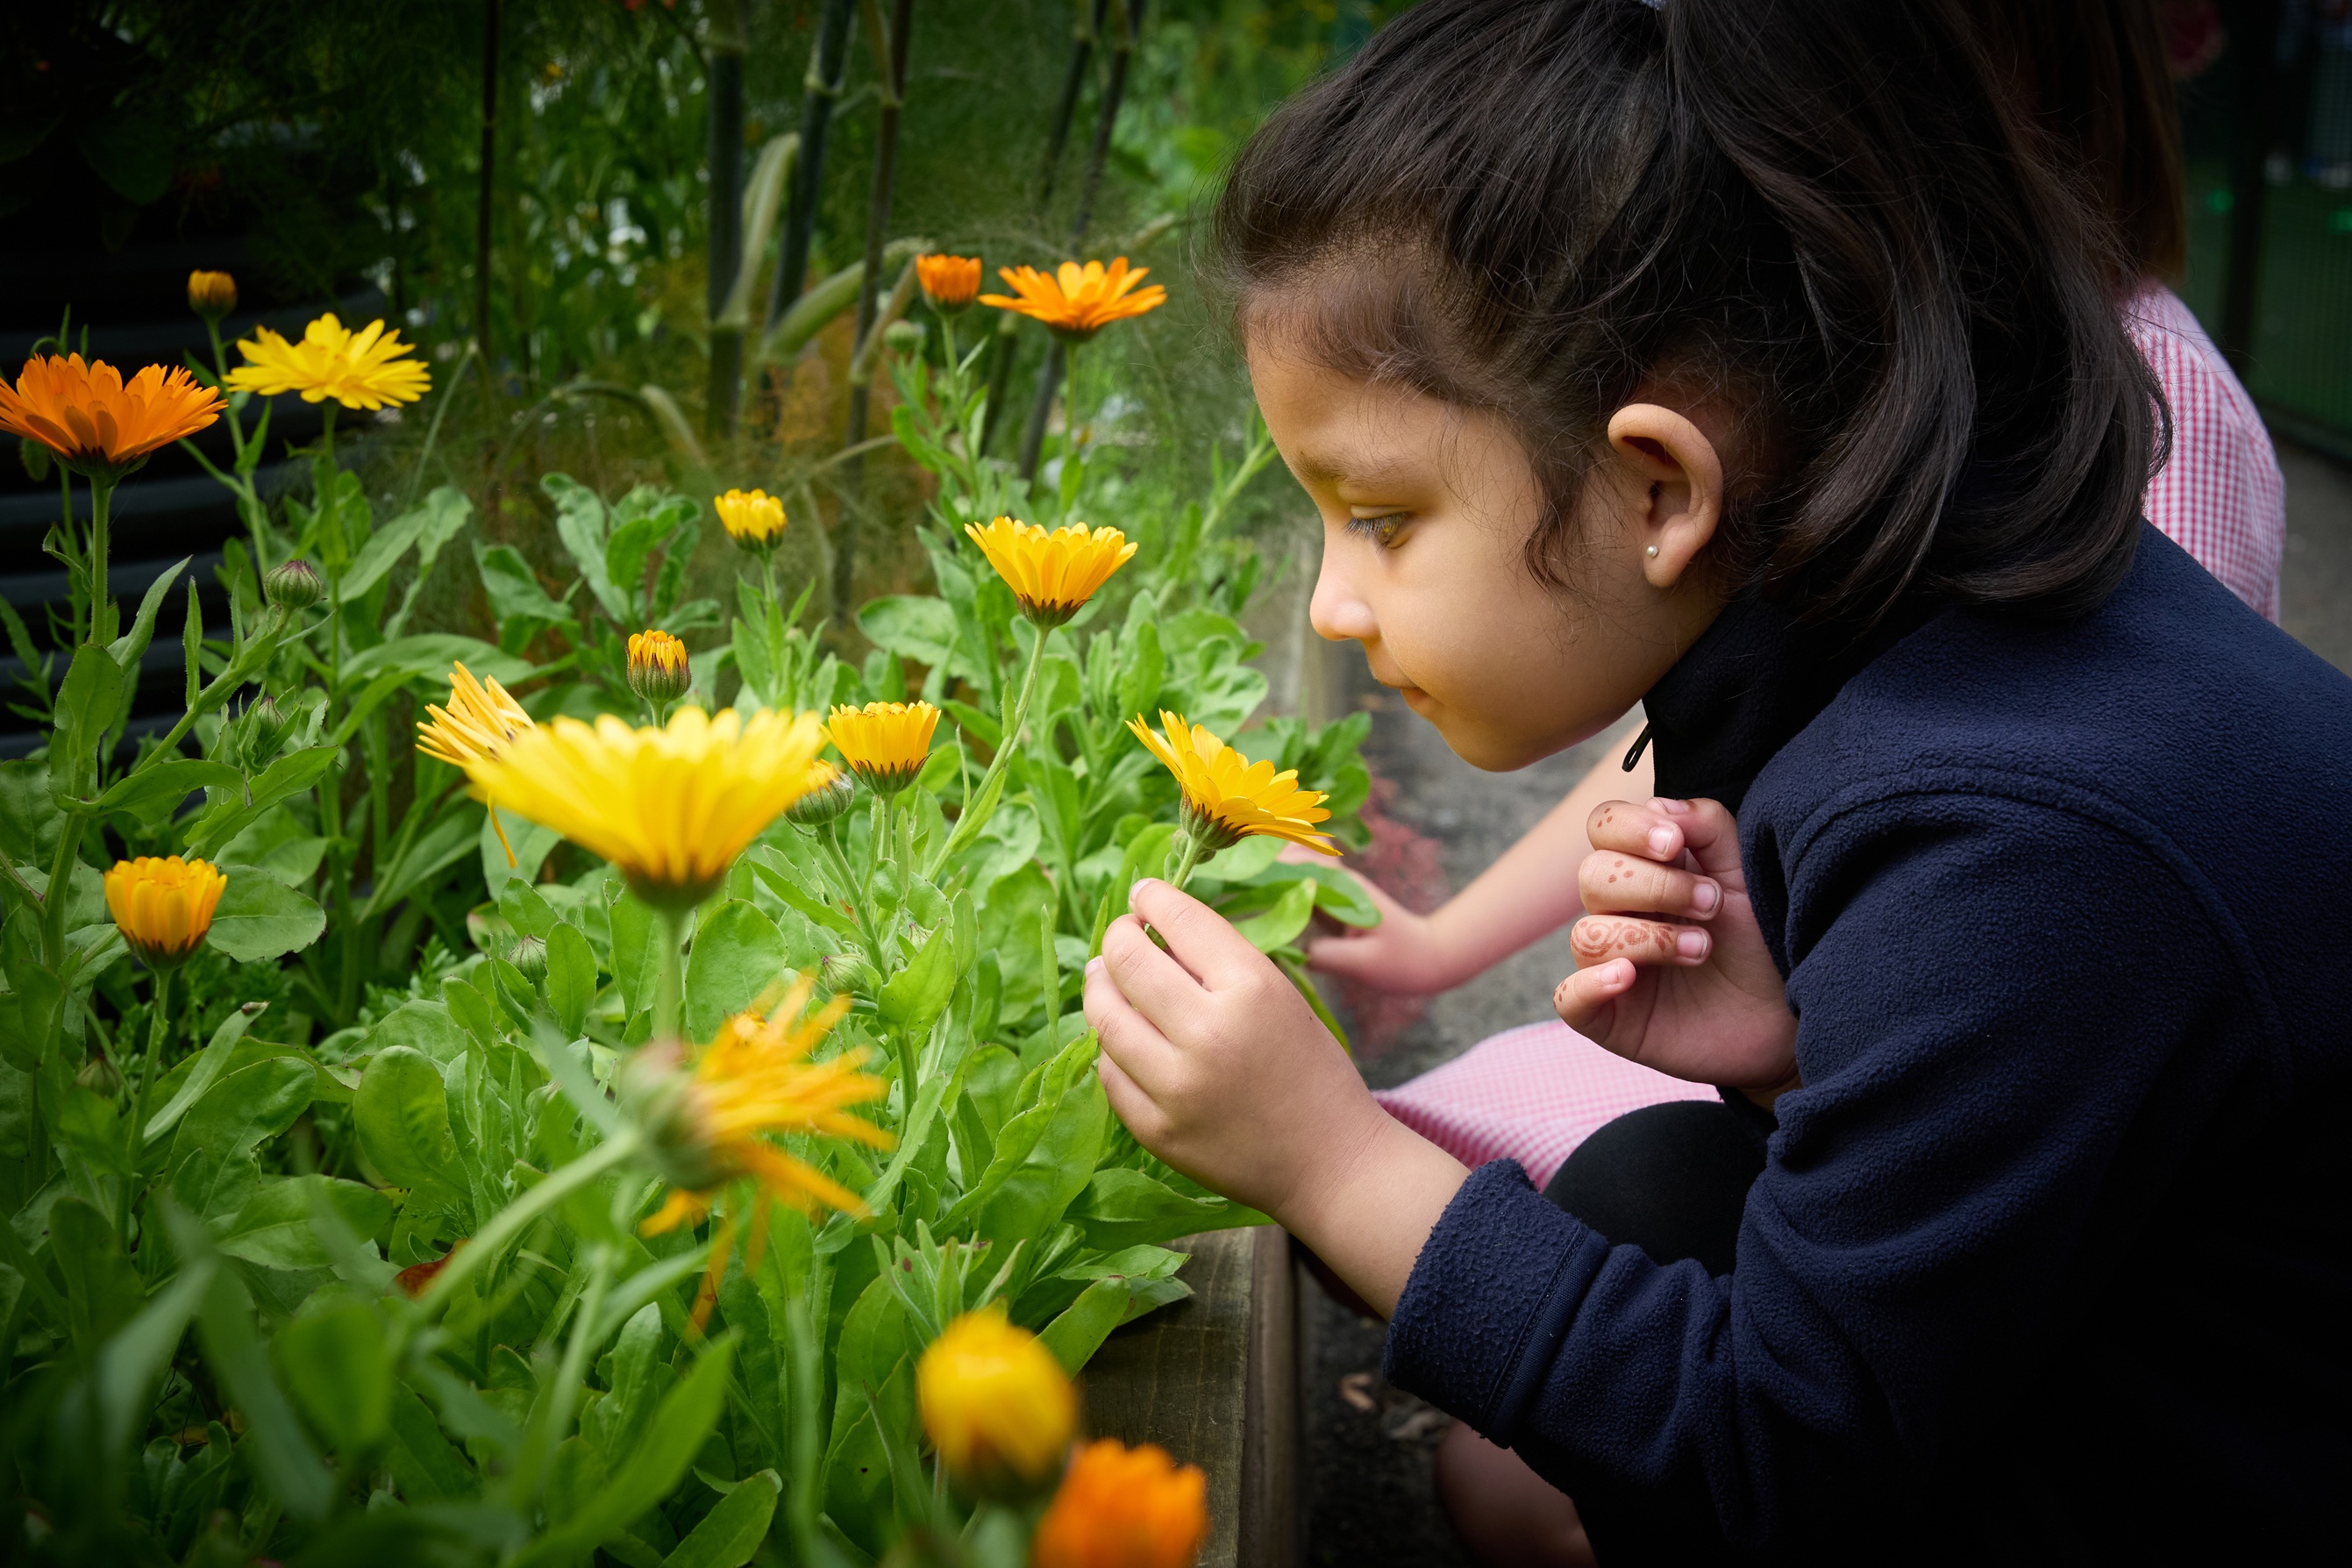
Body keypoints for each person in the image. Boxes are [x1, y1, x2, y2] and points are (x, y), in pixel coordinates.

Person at [1080, 0, 2352, 1559]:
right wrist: (1802, 1061)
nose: (1336, 606)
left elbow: (1784, 1454)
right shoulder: (1936, 653)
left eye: (1383, 517)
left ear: (1659, 487)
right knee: (1659, 1186)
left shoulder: (2022, 830)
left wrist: (1326, 1158)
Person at [1316, 0, 2290, 1226]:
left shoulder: (2148, 409)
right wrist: (1445, 943)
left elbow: (2088, 885)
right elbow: (1680, 779)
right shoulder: (1858, 359)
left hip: (1997, 1113)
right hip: (1811, 1034)